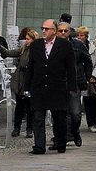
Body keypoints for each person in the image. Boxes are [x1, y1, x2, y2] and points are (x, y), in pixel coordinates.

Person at [22, 19, 77, 154]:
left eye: (47, 29)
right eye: (43, 28)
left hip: (57, 87)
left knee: (59, 118)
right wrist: (26, 87)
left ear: (54, 30)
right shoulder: (36, 45)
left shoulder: (65, 45)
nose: (44, 31)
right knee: (38, 118)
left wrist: (72, 86)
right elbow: (31, 67)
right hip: (39, 86)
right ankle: (39, 146)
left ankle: (60, 142)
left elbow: (71, 67)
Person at [57, 22, 92, 147]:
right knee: (61, 113)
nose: (63, 33)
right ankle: (63, 137)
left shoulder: (78, 45)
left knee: (75, 113)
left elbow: (88, 61)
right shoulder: (52, 45)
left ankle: (75, 131)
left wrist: (87, 77)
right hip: (58, 83)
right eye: (60, 31)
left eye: (65, 31)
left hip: (74, 82)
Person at [3, 27, 37, 137]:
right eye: (26, 39)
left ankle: (29, 128)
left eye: (28, 39)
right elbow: (10, 53)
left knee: (29, 105)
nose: (26, 41)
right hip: (20, 82)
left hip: (30, 83)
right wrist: (0, 49)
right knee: (19, 105)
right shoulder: (23, 49)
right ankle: (16, 128)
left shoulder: (37, 51)